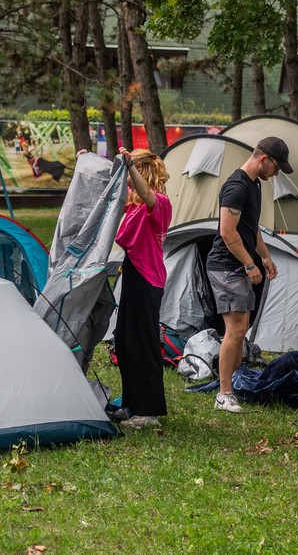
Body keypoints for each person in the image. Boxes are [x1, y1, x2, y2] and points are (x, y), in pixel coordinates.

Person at [207, 136, 294, 413]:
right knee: (234, 330)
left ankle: (231, 383)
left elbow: (250, 227)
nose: (276, 173)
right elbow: (227, 232)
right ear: (264, 159)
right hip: (225, 266)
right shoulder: (236, 187)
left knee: (240, 328)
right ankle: (223, 394)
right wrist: (249, 263)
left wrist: (265, 256)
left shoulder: (255, 185)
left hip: (236, 265)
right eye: (277, 167)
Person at [110, 146, 172, 430]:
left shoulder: (159, 202)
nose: (126, 180)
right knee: (124, 340)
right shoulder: (133, 206)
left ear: (141, 172)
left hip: (149, 279)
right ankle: (131, 404)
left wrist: (129, 166)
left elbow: (146, 194)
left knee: (143, 343)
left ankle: (149, 411)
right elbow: (106, 196)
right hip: (134, 273)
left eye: (130, 173)